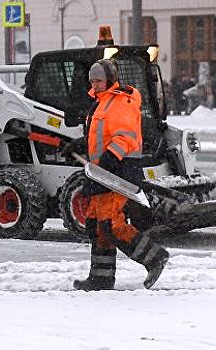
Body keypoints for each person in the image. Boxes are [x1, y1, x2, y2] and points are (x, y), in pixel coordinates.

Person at [72, 59, 169, 291]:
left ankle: (155, 257)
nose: (94, 85)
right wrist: (78, 145)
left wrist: (108, 160)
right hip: (100, 175)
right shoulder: (101, 102)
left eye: (98, 80)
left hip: (118, 173)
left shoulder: (120, 101)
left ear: (110, 80)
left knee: (111, 225)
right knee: (96, 225)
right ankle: (100, 278)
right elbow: (99, 137)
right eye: (92, 81)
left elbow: (125, 138)